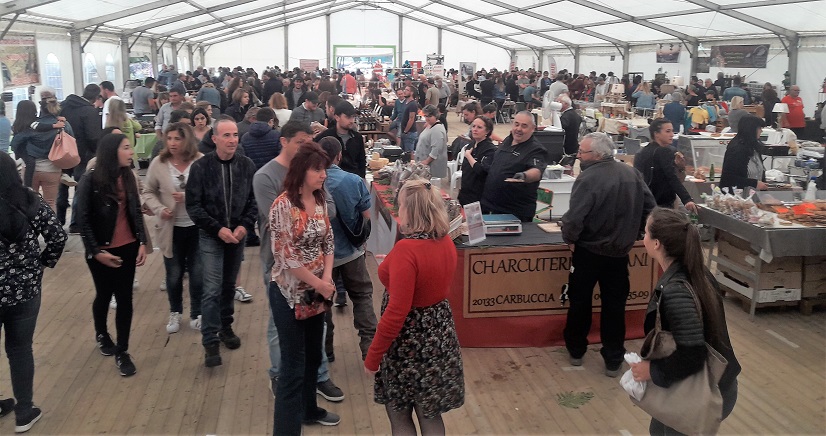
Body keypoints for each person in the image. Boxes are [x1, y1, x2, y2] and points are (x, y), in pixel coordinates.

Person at [364, 178, 464, 435]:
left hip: (407, 343)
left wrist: (373, 357)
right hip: (438, 336)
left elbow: (396, 313)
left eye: (400, 206)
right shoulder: (446, 242)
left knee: (399, 414)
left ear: (410, 210)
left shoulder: (407, 250)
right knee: (430, 412)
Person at [253, 121, 344, 403]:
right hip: (283, 270)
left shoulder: (316, 185)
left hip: (317, 274)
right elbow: (283, 238)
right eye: (302, 141)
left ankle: (317, 378)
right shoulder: (266, 178)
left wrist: (325, 278)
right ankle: (281, 376)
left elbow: (329, 213)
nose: (307, 146)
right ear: (284, 141)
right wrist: (320, 280)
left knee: (320, 326)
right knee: (281, 328)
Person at [631, 207, 741, 435]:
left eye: (645, 233)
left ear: (657, 244)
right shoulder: (698, 273)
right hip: (706, 385)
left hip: (701, 393)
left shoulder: (676, 291)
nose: (643, 238)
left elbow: (692, 353)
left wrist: (653, 371)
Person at [561, 132, 656, 377]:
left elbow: (574, 218)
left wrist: (570, 239)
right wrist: (635, 233)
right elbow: (651, 209)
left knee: (580, 302)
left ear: (597, 154)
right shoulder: (631, 173)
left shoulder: (587, 178)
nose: (579, 156)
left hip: (587, 252)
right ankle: (613, 358)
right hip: (619, 255)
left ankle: (576, 350)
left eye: (582, 152)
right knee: (615, 307)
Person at [269, 143, 341, 433]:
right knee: (292, 368)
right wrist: (321, 284)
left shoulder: (320, 200)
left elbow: (329, 243)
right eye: (317, 169)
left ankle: (309, 410)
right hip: (289, 295)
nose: (323, 174)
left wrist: (326, 280)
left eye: (324, 169)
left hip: (316, 290)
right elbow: (286, 257)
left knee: (313, 356)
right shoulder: (282, 206)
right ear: (301, 171)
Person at [0, 151, 67, 433]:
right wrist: (42, 263)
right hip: (25, 288)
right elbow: (58, 236)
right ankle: (24, 412)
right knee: (20, 349)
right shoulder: (29, 199)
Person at [185, 118, 257, 367]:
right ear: (214, 139)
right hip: (211, 236)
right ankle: (210, 339)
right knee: (212, 288)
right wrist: (218, 229)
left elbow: (253, 202)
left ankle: (226, 327)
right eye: (226, 135)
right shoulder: (201, 167)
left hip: (237, 235)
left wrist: (243, 226)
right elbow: (193, 205)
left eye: (235, 135)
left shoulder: (247, 166)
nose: (232, 140)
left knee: (228, 286)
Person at [76, 133, 148, 377]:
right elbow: (82, 221)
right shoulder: (90, 180)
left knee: (125, 298)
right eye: (127, 148)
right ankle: (101, 332)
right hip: (102, 249)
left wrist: (141, 242)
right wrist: (96, 252)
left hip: (127, 245)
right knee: (104, 294)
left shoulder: (128, 176)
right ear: (111, 152)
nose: (131, 152)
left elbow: (135, 211)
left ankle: (123, 350)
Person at [318, 137, 378, 359]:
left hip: (323, 259)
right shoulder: (354, 181)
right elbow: (366, 218)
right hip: (352, 254)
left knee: (323, 305)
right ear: (339, 155)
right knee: (362, 297)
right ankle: (370, 349)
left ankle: (327, 350)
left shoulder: (313, 182)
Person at [142, 122, 204, 334]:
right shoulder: (159, 163)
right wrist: (159, 209)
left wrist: (187, 197)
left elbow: (210, 192)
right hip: (171, 228)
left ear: (187, 140)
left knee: (197, 273)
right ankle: (175, 312)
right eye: (169, 139)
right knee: (174, 273)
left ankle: (197, 313)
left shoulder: (200, 161)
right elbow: (147, 190)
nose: (172, 143)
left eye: (177, 138)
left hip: (196, 226)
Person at [480, 111, 548, 222]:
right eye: (516, 124)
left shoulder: (536, 149)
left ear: (533, 128)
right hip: (490, 206)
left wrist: (524, 176)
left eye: (524, 126)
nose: (519, 129)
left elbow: (536, 171)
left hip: (514, 212)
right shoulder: (509, 139)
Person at [10, 96, 73, 211]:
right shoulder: (63, 124)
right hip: (52, 168)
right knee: (50, 202)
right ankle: (51, 228)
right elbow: (71, 141)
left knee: (30, 201)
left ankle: (33, 227)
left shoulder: (32, 125)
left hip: (31, 170)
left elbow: (16, 141)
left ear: (41, 109)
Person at [633, 119, 697, 213]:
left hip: (645, 202)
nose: (672, 134)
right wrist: (687, 199)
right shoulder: (665, 151)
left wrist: (680, 167)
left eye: (672, 131)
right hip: (662, 202)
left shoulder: (641, 152)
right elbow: (672, 177)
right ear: (656, 134)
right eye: (668, 131)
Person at [314, 101, 366, 178]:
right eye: (348, 117)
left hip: (353, 180)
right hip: (330, 181)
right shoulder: (325, 137)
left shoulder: (357, 138)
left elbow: (361, 162)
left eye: (353, 117)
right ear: (337, 117)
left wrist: (361, 180)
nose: (352, 120)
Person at [719, 115, 769, 192]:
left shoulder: (754, 147)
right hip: (736, 197)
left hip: (754, 196)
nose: (761, 131)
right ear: (751, 129)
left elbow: (761, 172)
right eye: (759, 128)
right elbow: (728, 178)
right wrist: (754, 183)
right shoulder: (736, 149)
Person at [457, 116, 496, 206]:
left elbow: (482, 171)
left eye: (479, 127)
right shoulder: (471, 145)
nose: (475, 129)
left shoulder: (490, 149)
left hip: (478, 196)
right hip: (465, 192)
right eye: (473, 126)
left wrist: (469, 156)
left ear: (487, 131)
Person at [414, 104, 448, 179]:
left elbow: (436, 149)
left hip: (432, 167)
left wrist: (426, 161)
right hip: (423, 165)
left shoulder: (437, 129)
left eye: (429, 116)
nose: (427, 118)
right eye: (425, 116)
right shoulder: (429, 125)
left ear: (435, 115)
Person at [399, 86, 420, 157]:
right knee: (405, 153)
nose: (404, 91)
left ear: (411, 93)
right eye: (405, 89)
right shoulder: (406, 102)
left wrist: (406, 131)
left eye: (407, 90)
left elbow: (411, 119)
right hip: (405, 132)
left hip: (409, 132)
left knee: (409, 153)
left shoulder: (412, 104)